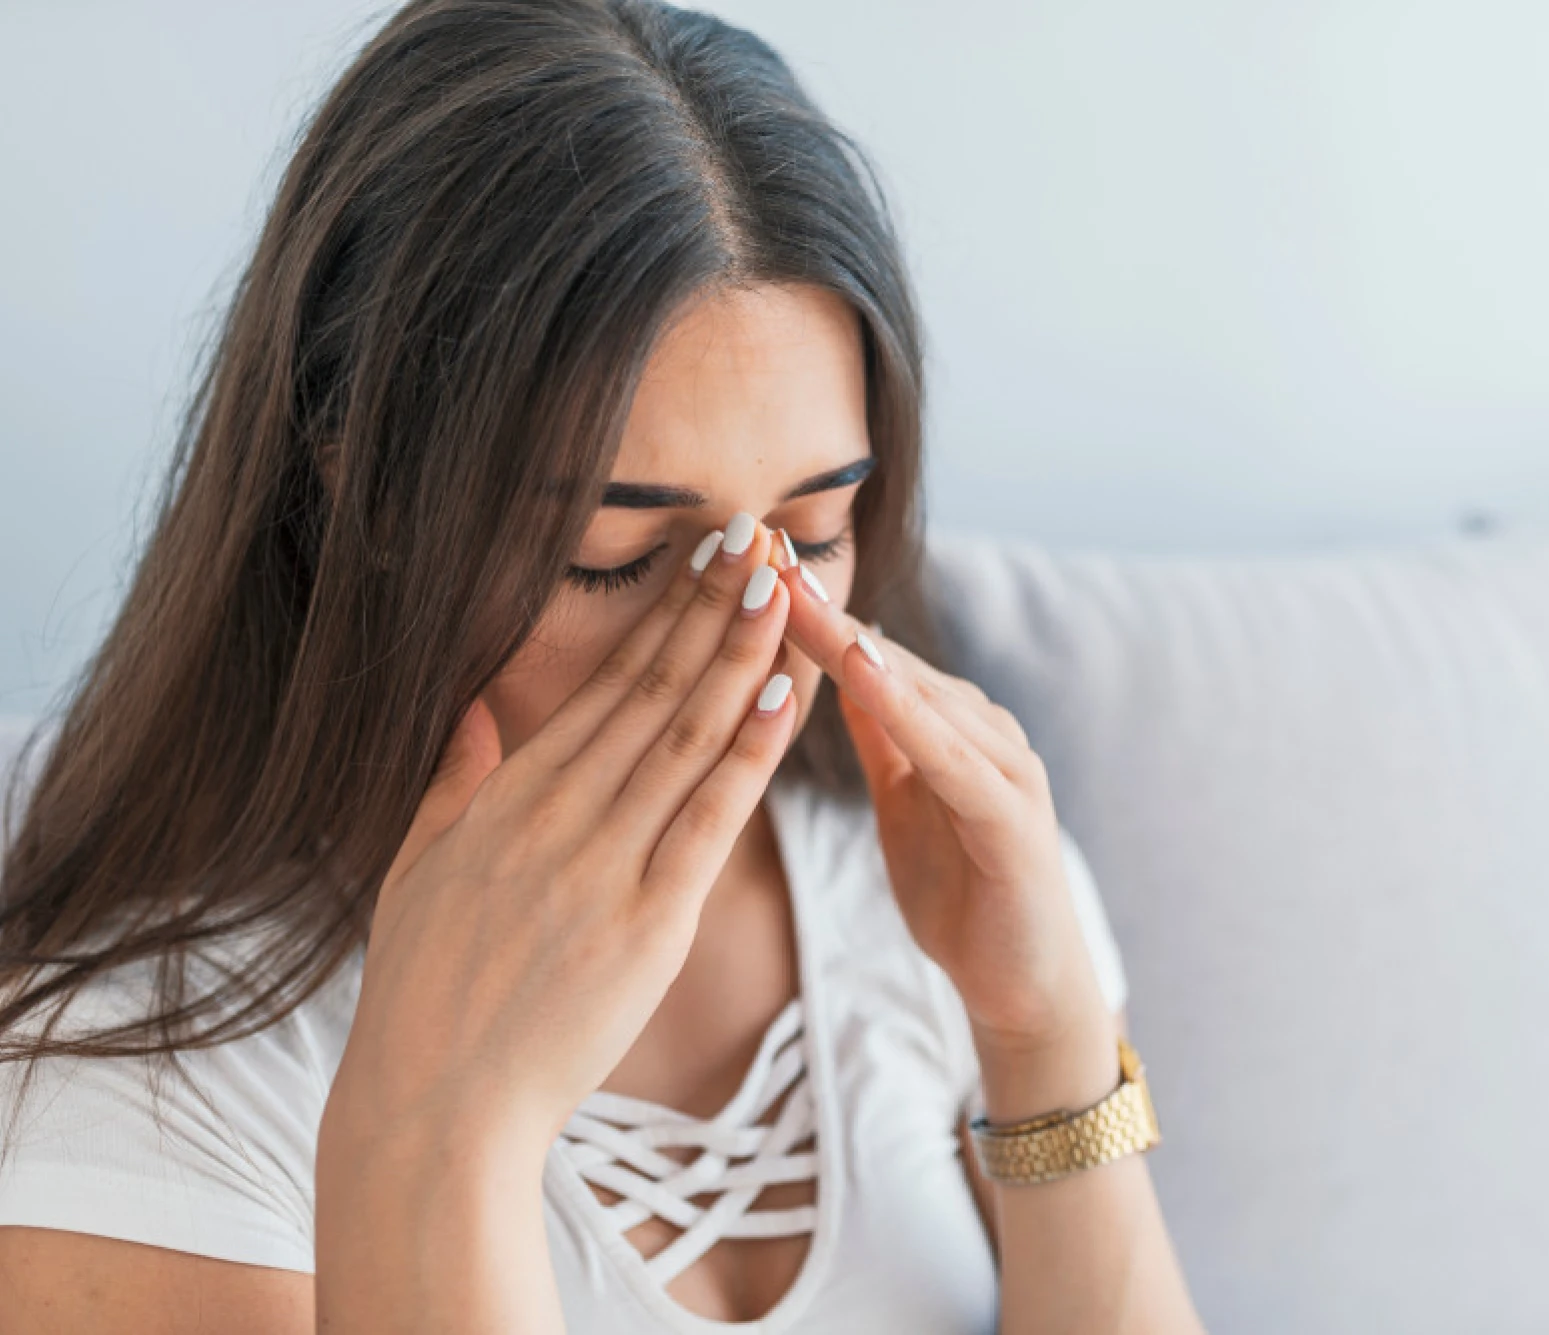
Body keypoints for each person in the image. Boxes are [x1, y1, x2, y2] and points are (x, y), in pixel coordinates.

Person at [0, 1, 1206, 1330]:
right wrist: (439, 1132)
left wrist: (1047, 1038)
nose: (746, 636)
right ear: (360, 492)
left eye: (811, 534)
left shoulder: (927, 879)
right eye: (610, 555)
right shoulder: (160, 1050)